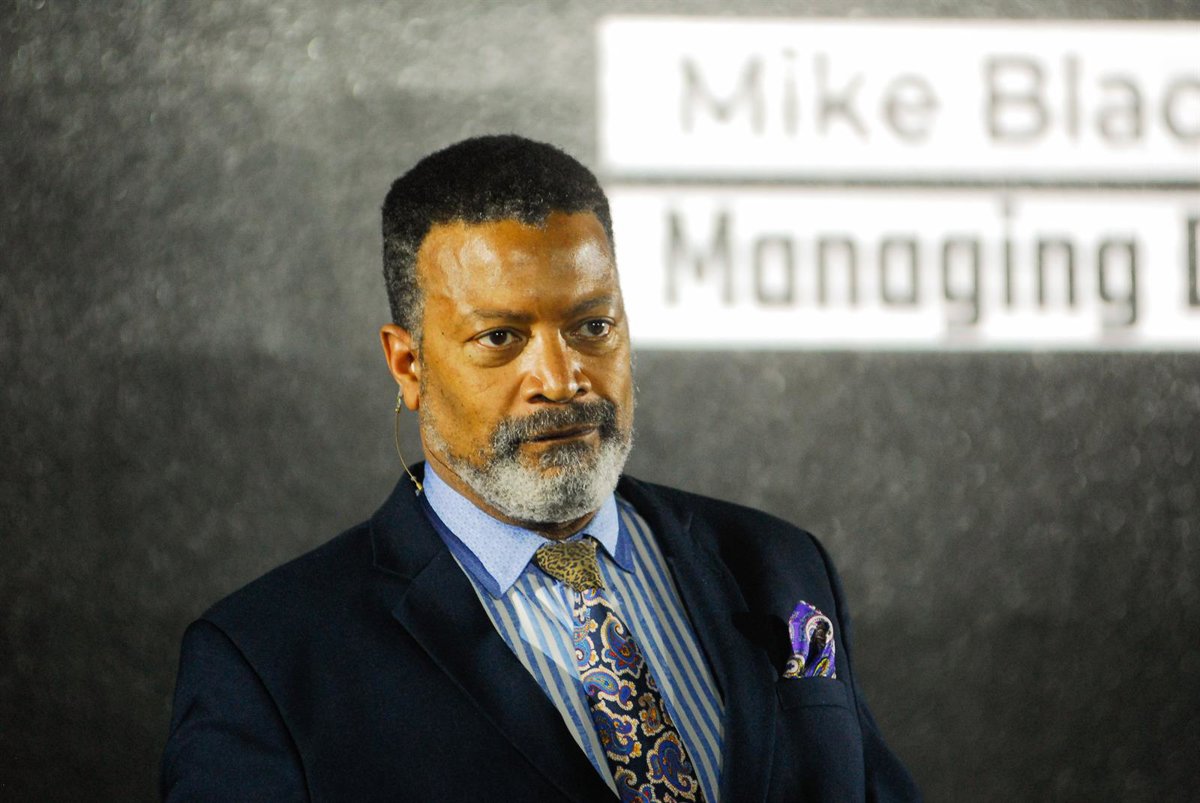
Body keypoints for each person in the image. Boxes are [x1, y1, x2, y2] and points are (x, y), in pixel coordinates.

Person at [160, 134, 920, 801]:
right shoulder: (269, 661)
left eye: (593, 325)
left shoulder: (779, 564)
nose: (561, 379)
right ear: (408, 364)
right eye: (500, 338)